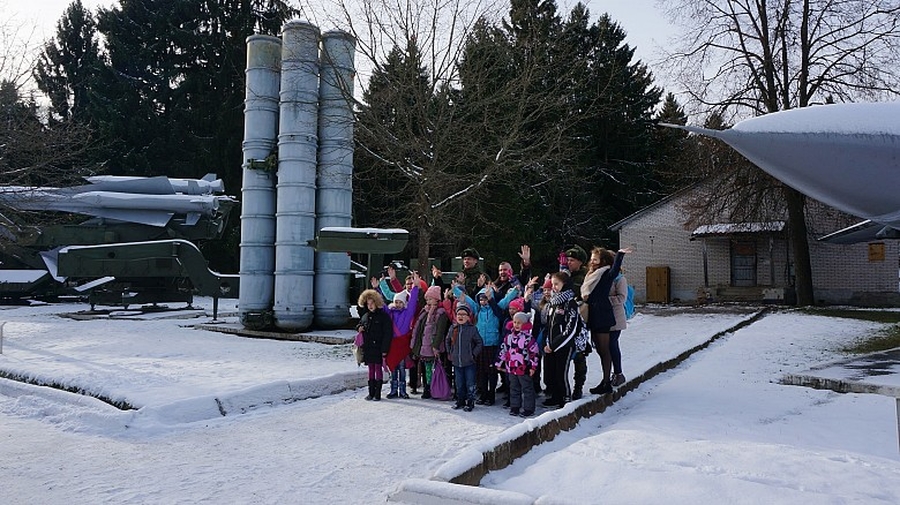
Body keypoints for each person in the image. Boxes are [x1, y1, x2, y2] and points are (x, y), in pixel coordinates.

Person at [454, 283, 519, 405]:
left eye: (485, 298)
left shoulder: (495, 309)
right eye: (481, 299)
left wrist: (515, 290)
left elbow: (506, 301)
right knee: (481, 372)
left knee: (492, 372)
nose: (483, 301)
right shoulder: (477, 310)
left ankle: (491, 395)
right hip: (480, 345)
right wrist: (456, 291)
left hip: (492, 345)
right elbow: (467, 299)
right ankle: (483, 394)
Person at [582, 247, 630, 395]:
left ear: (602, 261)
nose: (592, 262)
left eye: (595, 259)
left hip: (603, 315)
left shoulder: (606, 273)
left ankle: (607, 382)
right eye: (591, 259)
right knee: (600, 349)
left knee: (606, 349)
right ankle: (605, 381)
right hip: (594, 315)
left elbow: (615, 271)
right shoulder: (592, 274)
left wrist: (620, 255)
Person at [541, 271, 581, 408]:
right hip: (550, 345)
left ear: (565, 284)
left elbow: (571, 328)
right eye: (552, 284)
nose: (554, 287)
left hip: (564, 345)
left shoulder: (570, 303)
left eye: (556, 284)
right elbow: (549, 325)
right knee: (550, 373)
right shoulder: (553, 303)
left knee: (561, 373)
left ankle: (565, 397)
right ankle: (555, 396)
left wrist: (555, 344)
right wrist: (548, 344)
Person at [384, 276, 421, 399]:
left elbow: (412, 302)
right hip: (393, 344)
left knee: (401, 369)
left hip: (402, 344)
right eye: (396, 302)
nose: (398, 304)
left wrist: (415, 287)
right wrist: (377, 289)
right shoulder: (390, 313)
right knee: (393, 368)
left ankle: (403, 390)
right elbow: (381, 305)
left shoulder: (407, 312)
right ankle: (393, 390)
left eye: (400, 302)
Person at [410, 285, 450, 399]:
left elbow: (440, 331)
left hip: (432, 346)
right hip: (423, 345)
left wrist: (435, 346)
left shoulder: (440, 313)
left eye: (430, 299)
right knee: (425, 368)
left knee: (432, 368)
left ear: (437, 299)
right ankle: (427, 387)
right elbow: (419, 328)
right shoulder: (425, 311)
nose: (428, 301)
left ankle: (432, 387)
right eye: (427, 299)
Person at [496, 311, 539, 417]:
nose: (516, 325)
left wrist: (533, 366)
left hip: (523, 368)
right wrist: (499, 362)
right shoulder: (509, 337)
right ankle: (515, 406)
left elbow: (534, 352)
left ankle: (529, 408)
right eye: (515, 322)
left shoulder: (528, 338)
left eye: (519, 323)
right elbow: (504, 350)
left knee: (527, 388)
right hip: (511, 367)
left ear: (524, 324)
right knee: (514, 387)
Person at [445, 304, 483, 412]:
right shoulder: (453, 328)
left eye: (463, 314)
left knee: (470, 383)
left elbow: (479, 343)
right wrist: (450, 352)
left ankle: (470, 401)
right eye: (458, 314)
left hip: (469, 362)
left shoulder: (472, 329)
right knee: (459, 383)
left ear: (468, 317)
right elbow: (447, 340)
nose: (460, 316)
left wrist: (473, 354)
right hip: (457, 362)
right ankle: (460, 401)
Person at [356, 289, 393, 401]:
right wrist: (359, 328)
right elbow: (359, 324)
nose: (370, 306)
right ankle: (370, 392)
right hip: (368, 347)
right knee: (370, 369)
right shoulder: (366, 316)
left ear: (377, 303)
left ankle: (377, 393)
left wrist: (384, 349)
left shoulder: (384, 317)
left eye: (372, 303)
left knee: (378, 369)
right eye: (368, 304)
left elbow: (388, 333)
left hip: (378, 347)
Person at [564, 244, 590, 400]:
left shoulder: (586, 275)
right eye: (568, 259)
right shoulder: (565, 274)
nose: (569, 262)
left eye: (572, 260)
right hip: (564, 321)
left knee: (579, 356)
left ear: (580, 262)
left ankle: (578, 387)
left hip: (580, 321)